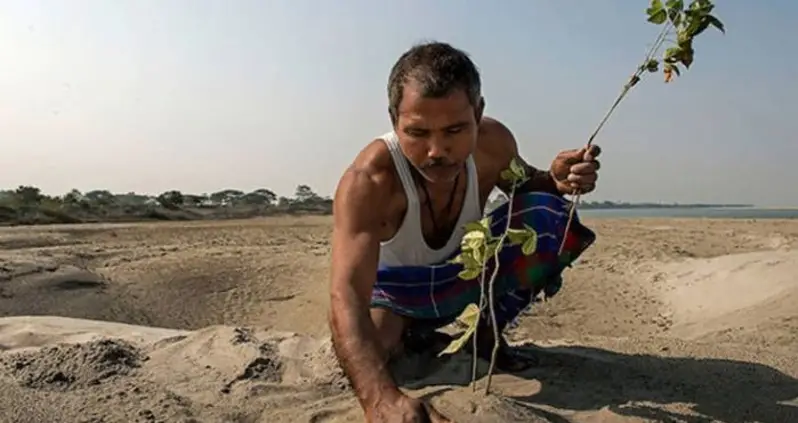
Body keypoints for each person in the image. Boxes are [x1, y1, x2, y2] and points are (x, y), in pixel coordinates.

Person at [328, 41, 600, 423]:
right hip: (395, 293)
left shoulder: (493, 144)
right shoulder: (368, 182)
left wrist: (556, 180)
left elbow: (529, 189)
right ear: (394, 120)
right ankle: (413, 333)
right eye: (417, 132)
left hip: (464, 275)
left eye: (455, 129)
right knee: (378, 350)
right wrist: (380, 401)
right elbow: (346, 295)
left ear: (479, 112)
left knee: (551, 216)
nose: (437, 150)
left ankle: (484, 337)